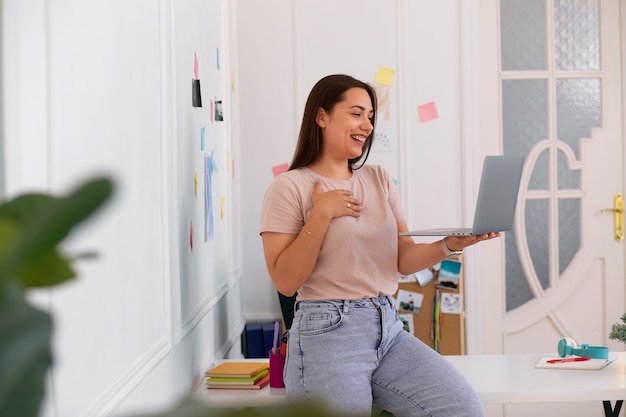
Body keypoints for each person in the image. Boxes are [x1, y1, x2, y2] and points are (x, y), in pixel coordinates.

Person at [259, 74, 498, 417]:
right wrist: (321, 215)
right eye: (357, 114)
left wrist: (449, 245)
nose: (367, 125)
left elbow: (402, 258)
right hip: (326, 332)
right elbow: (285, 280)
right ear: (321, 116)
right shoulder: (289, 187)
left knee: (462, 408)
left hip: (387, 326)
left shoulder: (379, 178)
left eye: (371, 116)